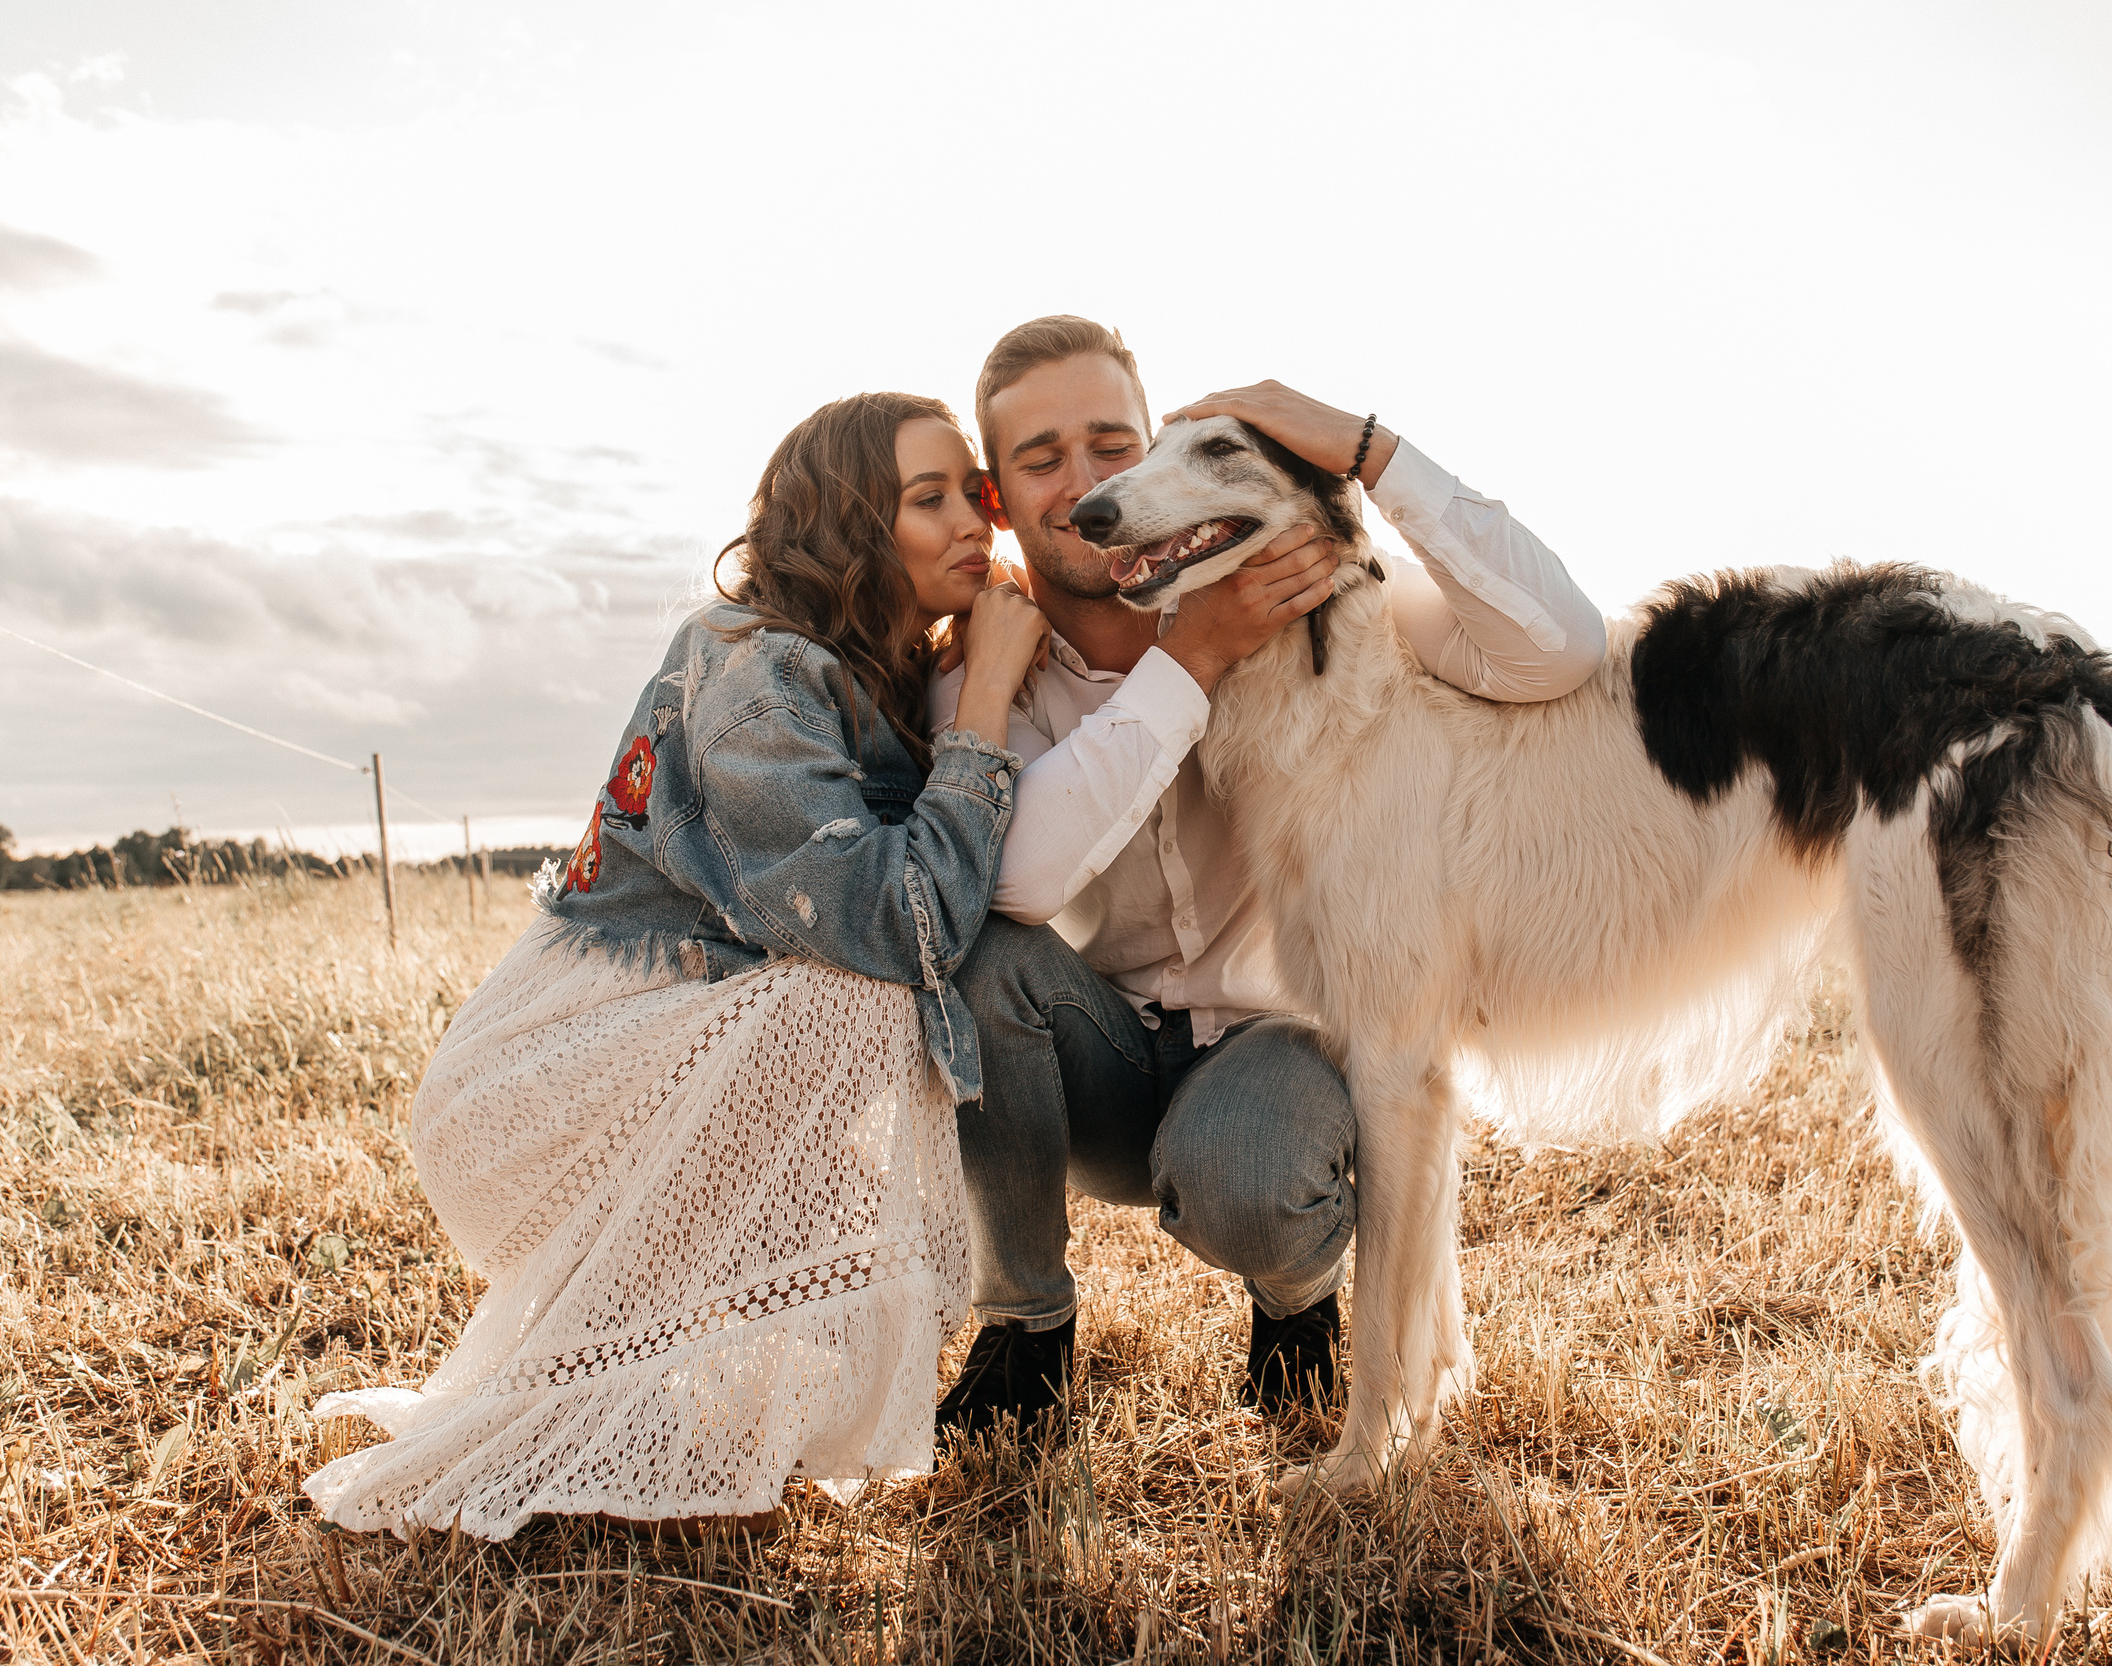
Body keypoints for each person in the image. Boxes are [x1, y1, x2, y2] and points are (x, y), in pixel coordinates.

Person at [306, 392, 1049, 1539]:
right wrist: (989, 700)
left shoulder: (875, 664)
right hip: (538, 1095)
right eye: (929, 498)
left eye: (979, 495)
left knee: (836, 1001)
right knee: (845, 998)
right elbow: (900, 924)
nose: (974, 524)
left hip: (655, 1063)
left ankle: (689, 1405)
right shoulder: (756, 673)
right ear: (852, 524)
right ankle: (592, 1422)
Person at [931, 318, 1607, 1437]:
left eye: (1113, 444)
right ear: (999, 497)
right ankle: (1024, 1331)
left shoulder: (1304, 596)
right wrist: (1189, 654)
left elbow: (1561, 650)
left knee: (1250, 1176)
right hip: (1093, 1055)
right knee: (979, 945)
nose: (1090, 483)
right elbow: (1018, 881)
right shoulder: (984, 662)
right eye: (1040, 460)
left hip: (1270, 1051)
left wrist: (1369, 450)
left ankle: (1295, 1306)